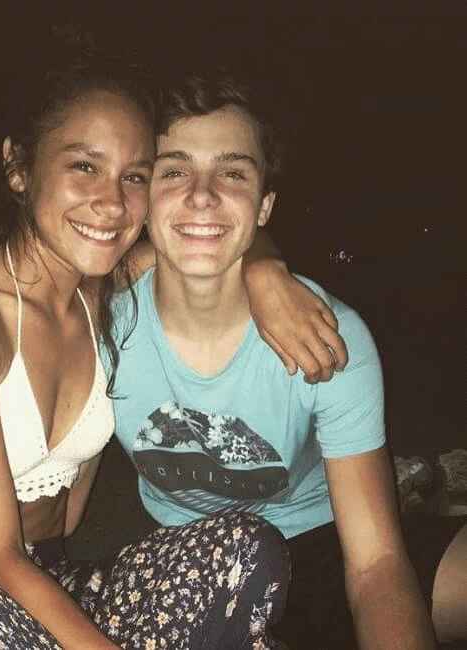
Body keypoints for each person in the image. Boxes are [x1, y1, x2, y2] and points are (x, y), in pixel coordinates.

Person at [0, 57, 350, 649]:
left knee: (243, 545)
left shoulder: (107, 291)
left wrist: (267, 272)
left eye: (135, 177)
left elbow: (216, 236)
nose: (112, 203)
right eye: (84, 166)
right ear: (19, 168)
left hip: (42, 585)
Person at [106, 73, 467, 648]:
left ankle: (409, 485)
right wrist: (263, 264)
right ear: (143, 199)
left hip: (320, 534)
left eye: (233, 173)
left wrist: (264, 266)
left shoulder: (328, 335)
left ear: (265, 205)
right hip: (187, 555)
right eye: (174, 171)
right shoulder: (101, 324)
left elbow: (375, 563)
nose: (202, 195)